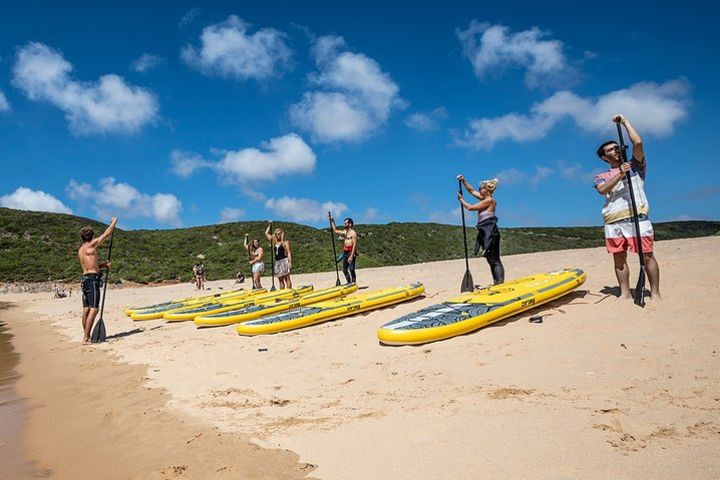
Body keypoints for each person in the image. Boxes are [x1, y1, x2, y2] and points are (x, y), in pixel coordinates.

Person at [594, 114, 660, 300]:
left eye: (617, 148)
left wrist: (624, 122)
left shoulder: (635, 165)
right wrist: (620, 175)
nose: (616, 151)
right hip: (613, 221)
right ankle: (625, 293)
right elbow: (602, 190)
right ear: (604, 157)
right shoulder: (602, 175)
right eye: (611, 150)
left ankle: (655, 293)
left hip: (637, 218)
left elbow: (638, 143)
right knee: (619, 258)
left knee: (647, 255)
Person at [457, 175, 505, 285]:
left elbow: (470, 208)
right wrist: (463, 180)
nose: (479, 189)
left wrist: (461, 200)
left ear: (487, 190)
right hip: (484, 232)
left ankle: (500, 282)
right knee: (490, 259)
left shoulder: (489, 201)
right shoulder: (484, 199)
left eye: (482, 188)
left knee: (494, 259)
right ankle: (496, 282)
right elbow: (471, 190)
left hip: (491, 232)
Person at [77, 217, 117, 345]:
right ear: (92, 236)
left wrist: (103, 265)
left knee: (86, 309)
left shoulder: (81, 250)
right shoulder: (91, 245)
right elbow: (106, 234)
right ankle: (86, 338)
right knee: (94, 309)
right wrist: (113, 223)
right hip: (92, 280)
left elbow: (90, 266)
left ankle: (86, 334)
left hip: (84, 279)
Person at [330, 214, 358, 284]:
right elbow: (335, 231)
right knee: (344, 270)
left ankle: (353, 282)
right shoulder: (345, 232)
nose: (344, 224)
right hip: (345, 253)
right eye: (344, 223)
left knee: (351, 269)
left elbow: (354, 245)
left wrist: (351, 256)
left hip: (351, 253)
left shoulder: (353, 233)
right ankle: (349, 282)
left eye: (345, 223)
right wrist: (333, 221)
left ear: (350, 224)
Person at [265, 222, 292, 289]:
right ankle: (282, 291)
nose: (278, 235)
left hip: (284, 260)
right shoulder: (274, 241)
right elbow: (266, 233)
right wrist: (270, 226)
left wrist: (290, 262)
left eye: (279, 233)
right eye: (276, 234)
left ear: (282, 234)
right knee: (280, 279)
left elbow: (288, 252)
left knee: (287, 278)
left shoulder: (285, 242)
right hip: (278, 261)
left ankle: (289, 291)